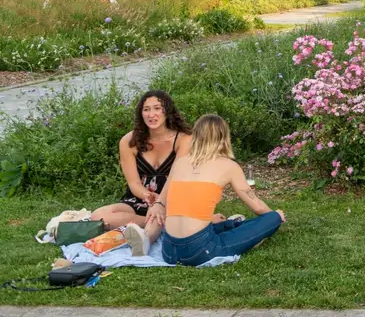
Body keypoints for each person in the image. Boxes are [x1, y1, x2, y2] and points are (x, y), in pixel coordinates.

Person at [151, 114, 286, 266]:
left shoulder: (180, 163)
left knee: (224, 225)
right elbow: (258, 207)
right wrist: (274, 217)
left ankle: (231, 223)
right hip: (200, 252)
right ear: (223, 138)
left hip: (169, 251)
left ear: (196, 136)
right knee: (271, 218)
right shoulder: (228, 166)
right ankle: (251, 222)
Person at [92, 90, 195, 255]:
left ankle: (145, 238)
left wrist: (160, 203)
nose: (151, 114)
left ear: (167, 111)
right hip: (142, 199)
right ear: (141, 113)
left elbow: (177, 176)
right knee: (98, 216)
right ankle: (165, 224)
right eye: (146, 109)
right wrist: (147, 196)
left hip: (174, 196)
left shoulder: (184, 140)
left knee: (159, 211)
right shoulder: (128, 141)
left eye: (157, 108)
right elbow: (133, 183)